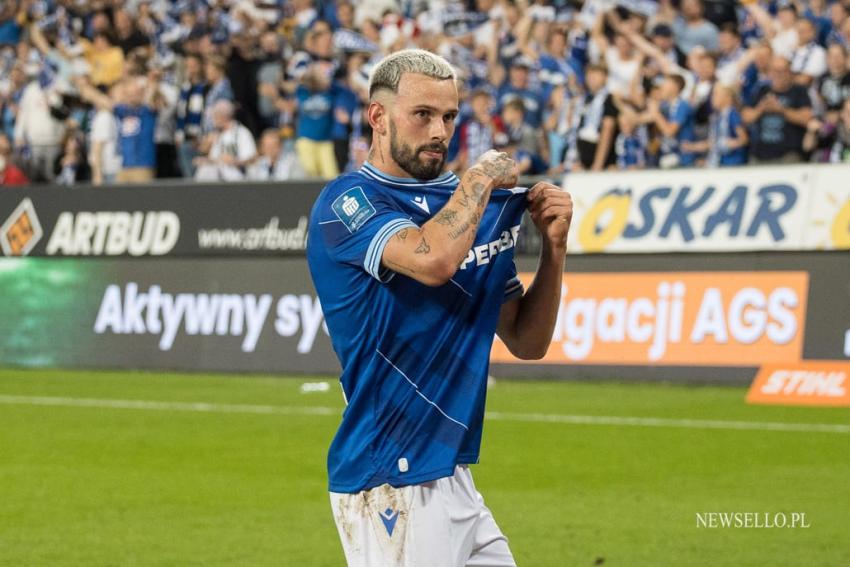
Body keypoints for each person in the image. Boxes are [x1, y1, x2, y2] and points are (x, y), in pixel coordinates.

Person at [306, 49, 572, 567]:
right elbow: (433, 260)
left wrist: (555, 251)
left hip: (453, 474)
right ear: (378, 118)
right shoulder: (347, 203)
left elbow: (526, 339)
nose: (439, 131)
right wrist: (478, 180)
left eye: (449, 117)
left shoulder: (469, 209)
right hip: (388, 475)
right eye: (422, 115)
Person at [742, 56, 813, 164]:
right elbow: (746, 118)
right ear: (769, 73)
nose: (778, 74)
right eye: (774, 70)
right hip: (759, 155)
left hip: (788, 155)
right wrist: (761, 108)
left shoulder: (799, 91)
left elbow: (807, 118)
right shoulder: (761, 90)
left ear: (790, 72)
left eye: (782, 71)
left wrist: (781, 110)